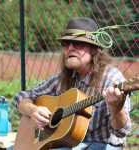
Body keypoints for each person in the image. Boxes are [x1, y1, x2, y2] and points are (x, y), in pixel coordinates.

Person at [14, 17, 131, 150]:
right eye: (66, 43)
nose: (70, 48)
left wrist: (116, 108)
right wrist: (33, 110)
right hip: (68, 144)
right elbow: (22, 96)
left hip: (103, 145)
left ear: (94, 49)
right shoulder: (64, 78)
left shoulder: (112, 79)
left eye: (78, 44)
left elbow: (122, 131)